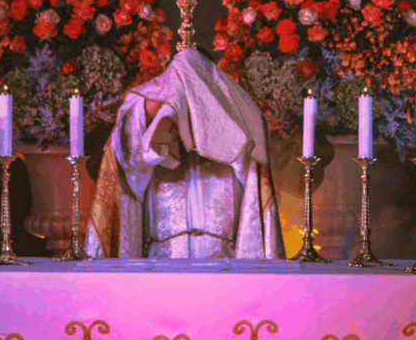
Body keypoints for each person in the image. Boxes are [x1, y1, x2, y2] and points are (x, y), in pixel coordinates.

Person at [84, 48, 284, 259]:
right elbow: (127, 156)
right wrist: (160, 106)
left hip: (224, 265)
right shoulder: (150, 121)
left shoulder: (239, 118)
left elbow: (251, 172)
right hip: (161, 265)